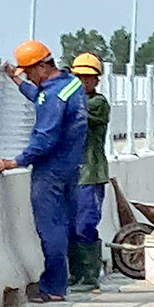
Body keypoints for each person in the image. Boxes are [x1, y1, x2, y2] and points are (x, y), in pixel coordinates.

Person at [0, 40, 87, 303]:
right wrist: (16, 80)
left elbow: (44, 138)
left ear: (42, 67)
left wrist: (15, 162)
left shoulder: (52, 96)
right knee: (64, 225)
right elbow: (39, 97)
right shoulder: (71, 85)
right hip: (71, 167)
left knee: (50, 228)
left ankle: (54, 287)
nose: (30, 77)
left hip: (50, 169)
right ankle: (62, 281)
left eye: (30, 72)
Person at [67, 52, 110, 293]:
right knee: (70, 226)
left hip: (91, 174)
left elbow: (79, 115)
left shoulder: (97, 103)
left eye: (87, 78)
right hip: (73, 175)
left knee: (85, 224)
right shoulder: (72, 101)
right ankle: (77, 274)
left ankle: (90, 276)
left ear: (96, 80)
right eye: (78, 77)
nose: (83, 82)